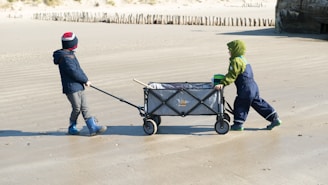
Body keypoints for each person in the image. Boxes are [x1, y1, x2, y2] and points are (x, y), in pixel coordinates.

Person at [214, 40, 282, 131]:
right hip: (253, 87)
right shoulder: (243, 59)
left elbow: (232, 75)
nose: (228, 52)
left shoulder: (236, 61)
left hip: (245, 88)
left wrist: (222, 83)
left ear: (236, 50)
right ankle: (274, 118)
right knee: (259, 103)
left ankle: (238, 124)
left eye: (230, 50)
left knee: (240, 103)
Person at [53, 32, 107, 136]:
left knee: (85, 107)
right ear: (71, 45)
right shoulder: (65, 58)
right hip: (71, 88)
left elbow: (79, 69)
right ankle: (72, 126)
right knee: (77, 107)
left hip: (79, 85)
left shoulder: (71, 55)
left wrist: (86, 79)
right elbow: (73, 72)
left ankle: (92, 127)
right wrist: (84, 80)